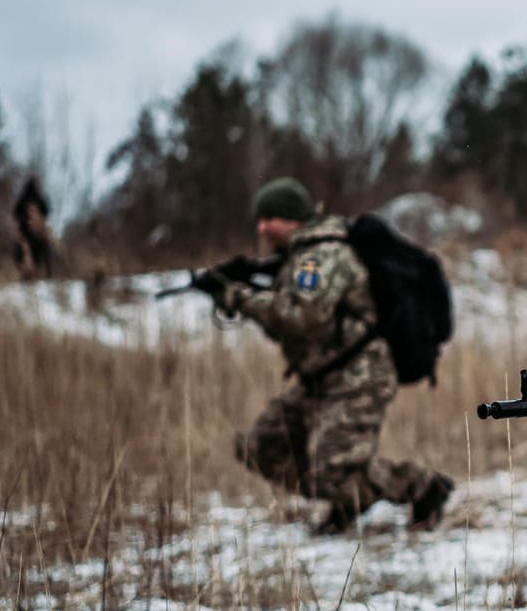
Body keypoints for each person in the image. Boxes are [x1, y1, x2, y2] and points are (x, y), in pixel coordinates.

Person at [193, 177, 454, 535]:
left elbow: (303, 317)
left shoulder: (319, 257)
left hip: (358, 376)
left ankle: (422, 487)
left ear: (293, 218)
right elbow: (287, 323)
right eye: (259, 219)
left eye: (270, 218)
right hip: (321, 379)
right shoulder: (297, 257)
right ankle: (347, 498)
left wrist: (237, 296)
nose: (262, 227)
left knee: (330, 471)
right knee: (261, 446)